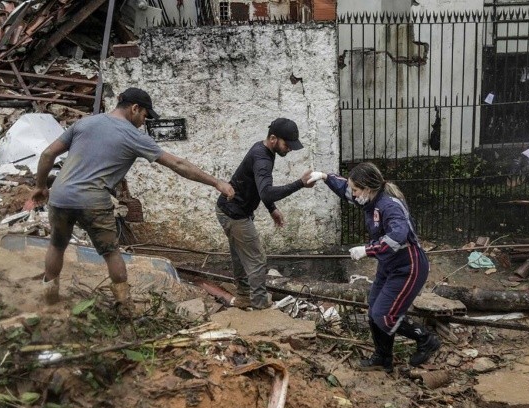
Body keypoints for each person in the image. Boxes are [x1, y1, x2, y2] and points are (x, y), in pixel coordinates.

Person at [31, 87, 235, 316]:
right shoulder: (132, 135)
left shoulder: (84, 124)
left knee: (57, 246)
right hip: (92, 200)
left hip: (60, 196)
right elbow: (178, 165)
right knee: (111, 253)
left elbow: (48, 154)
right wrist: (216, 182)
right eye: (145, 116)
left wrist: (40, 186)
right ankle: (124, 306)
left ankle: (49, 301)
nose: (143, 122)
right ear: (135, 108)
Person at [309, 162, 441, 371]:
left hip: (409, 266)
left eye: (355, 189)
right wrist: (324, 177)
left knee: (384, 314)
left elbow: (398, 235)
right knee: (374, 309)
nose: (352, 193)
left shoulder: (389, 206)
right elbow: (344, 188)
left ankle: (426, 339)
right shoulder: (368, 198)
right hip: (388, 265)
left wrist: (367, 250)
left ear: (367, 188)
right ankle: (383, 357)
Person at [216, 118, 316, 310]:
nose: (290, 149)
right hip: (234, 213)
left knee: (240, 255)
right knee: (256, 259)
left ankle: (244, 297)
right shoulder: (262, 159)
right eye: (287, 144)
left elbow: (259, 187)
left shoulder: (262, 150)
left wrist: (272, 209)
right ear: (273, 138)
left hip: (228, 208)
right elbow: (266, 191)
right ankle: (260, 306)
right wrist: (300, 184)